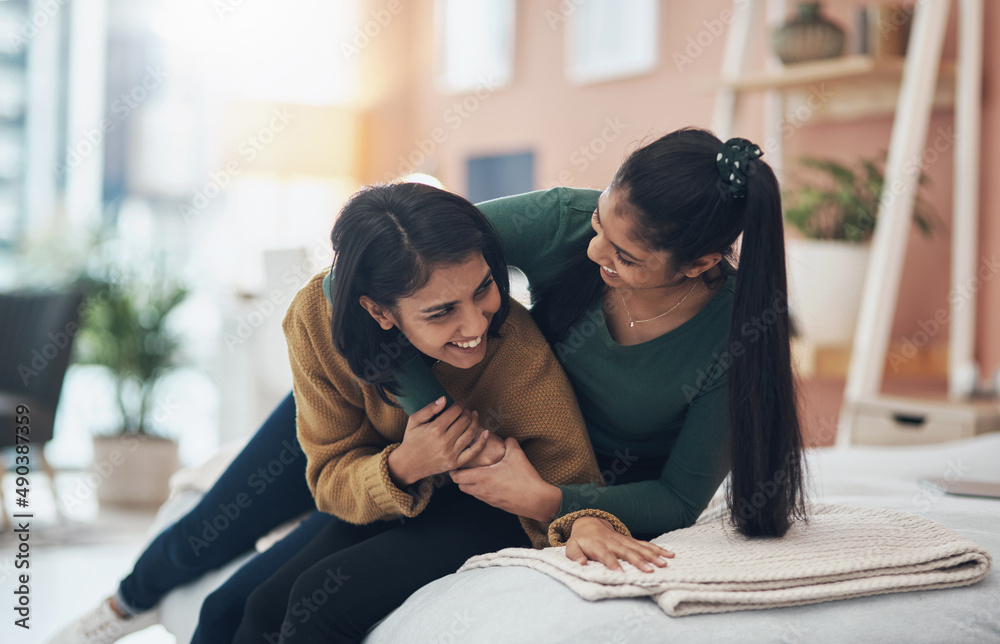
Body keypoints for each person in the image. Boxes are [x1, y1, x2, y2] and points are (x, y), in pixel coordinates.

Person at [50, 127, 806, 642]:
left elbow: (678, 499)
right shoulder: (565, 224)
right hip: (421, 393)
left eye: (625, 254)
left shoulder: (735, 338)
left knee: (297, 591)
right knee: (228, 515)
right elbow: (377, 269)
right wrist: (428, 427)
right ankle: (126, 601)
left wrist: (554, 504)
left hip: (523, 446)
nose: (594, 245)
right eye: (601, 218)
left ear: (703, 264)